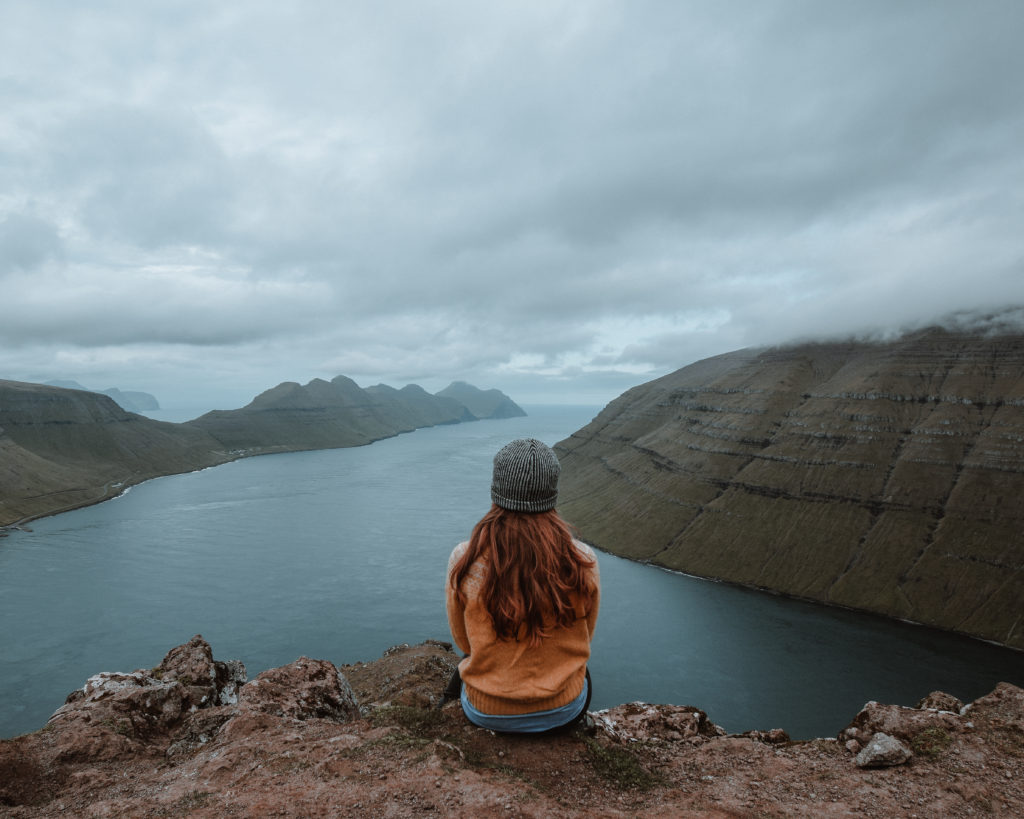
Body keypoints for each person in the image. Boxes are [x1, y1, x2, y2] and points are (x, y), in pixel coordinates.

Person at [445, 438, 600, 733]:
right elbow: (585, 637)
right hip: (564, 711)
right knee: (583, 673)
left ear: (496, 490)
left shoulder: (464, 559)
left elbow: (464, 643)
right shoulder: (582, 559)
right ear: (552, 493)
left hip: (485, 711)